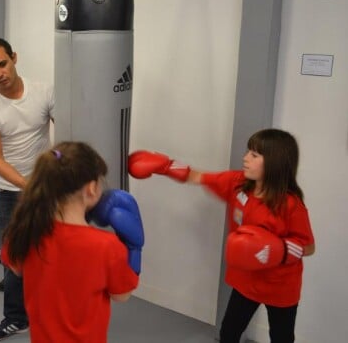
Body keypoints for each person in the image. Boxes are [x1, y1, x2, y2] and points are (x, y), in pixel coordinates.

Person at [128, 128, 315, 343]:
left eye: (254, 155)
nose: (245, 158)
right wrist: (167, 167)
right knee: (228, 333)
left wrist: (278, 250)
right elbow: (197, 176)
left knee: (281, 338)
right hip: (245, 282)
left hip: (281, 286)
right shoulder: (237, 183)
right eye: (248, 152)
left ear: (275, 162)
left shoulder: (290, 205)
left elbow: (308, 246)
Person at [2, 142, 140, 343]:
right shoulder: (106, 246)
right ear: (91, 188)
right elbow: (122, 295)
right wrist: (134, 248)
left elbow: (15, 268)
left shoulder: (25, 231)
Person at [0, 37, 54, 341]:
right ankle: (16, 317)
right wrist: (27, 185)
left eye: (2, 64)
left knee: (49, 250)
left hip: (46, 188)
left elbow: (72, 127)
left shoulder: (44, 92)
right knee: (13, 255)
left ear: (14, 58)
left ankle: (46, 304)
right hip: (11, 190)